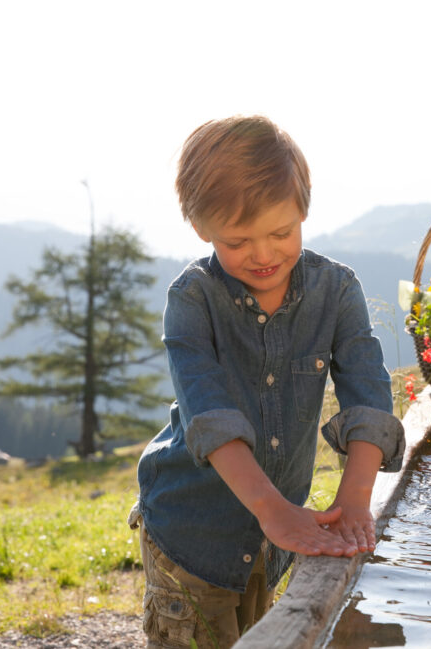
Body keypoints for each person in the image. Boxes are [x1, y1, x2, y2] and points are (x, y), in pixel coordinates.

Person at [131, 115, 405, 649]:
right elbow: (209, 417)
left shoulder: (337, 291)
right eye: (238, 241)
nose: (263, 254)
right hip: (192, 532)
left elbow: (369, 394)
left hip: (269, 537)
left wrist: (354, 501)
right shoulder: (192, 301)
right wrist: (273, 509)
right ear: (202, 229)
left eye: (282, 233)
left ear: (304, 210)